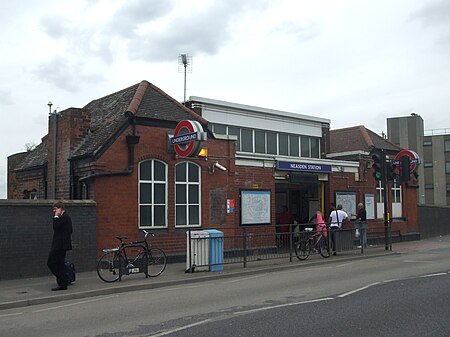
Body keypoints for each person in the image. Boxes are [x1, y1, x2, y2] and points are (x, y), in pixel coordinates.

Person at [47, 201, 73, 291]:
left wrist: (56, 216)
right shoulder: (65, 217)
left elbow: (55, 226)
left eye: (55, 209)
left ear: (60, 208)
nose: (54, 211)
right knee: (59, 264)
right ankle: (64, 281)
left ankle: (63, 281)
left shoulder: (64, 217)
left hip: (60, 245)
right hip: (60, 245)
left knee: (51, 262)